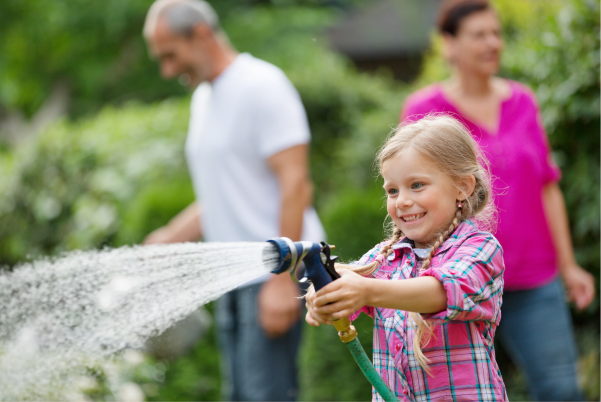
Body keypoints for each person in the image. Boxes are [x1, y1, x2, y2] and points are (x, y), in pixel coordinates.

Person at [400, 1, 596, 401]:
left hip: (532, 278)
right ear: (449, 45)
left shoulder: (522, 101)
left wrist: (568, 265)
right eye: (478, 35)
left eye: (496, 33)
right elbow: (412, 193)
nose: (492, 43)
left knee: (560, 390)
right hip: (452, 282)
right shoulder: (424, 110)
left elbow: (547, 185)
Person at [142, 1, 326, 401]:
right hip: (234, 274)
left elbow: (296, 184)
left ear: (202, 34)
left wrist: (281, 280)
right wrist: (170, 237)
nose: (167, 70)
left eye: (171, 55)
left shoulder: (262, 85)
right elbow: (225, 194)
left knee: (266, 394)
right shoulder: (204, 99)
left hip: (274, 271)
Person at [306, 115, 507, 401]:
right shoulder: (385, 257)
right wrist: (324, 296)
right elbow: (345, 290)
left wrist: (364, 290)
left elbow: (443, 291)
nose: (401, 201)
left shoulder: (480, 249)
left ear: (462, 187)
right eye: (392, 190)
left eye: (417, 185)